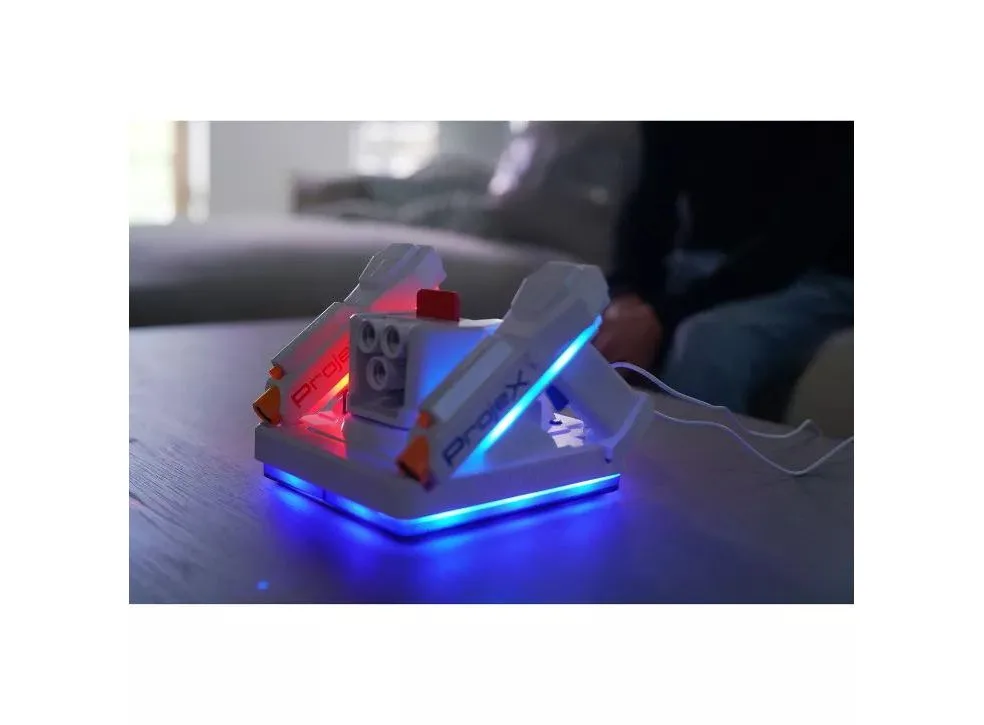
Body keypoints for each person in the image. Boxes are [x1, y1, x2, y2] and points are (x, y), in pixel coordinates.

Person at [594, 121, 853, 416]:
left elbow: (800, 238)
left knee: (707, 344)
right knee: (578, 318)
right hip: (703, 263)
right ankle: (570, 440)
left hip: (817, 273)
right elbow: (649, 201)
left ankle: (690, 448)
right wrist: (627, 296)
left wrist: (661, 318)